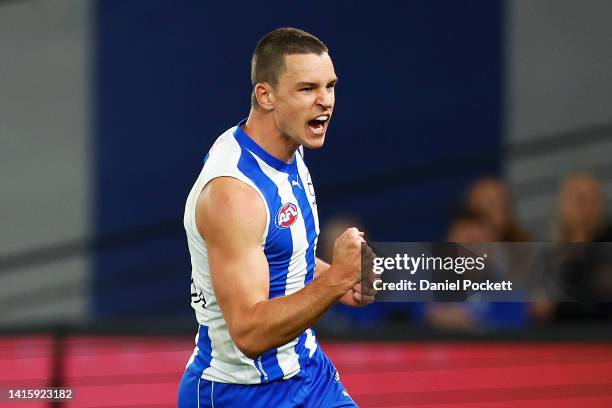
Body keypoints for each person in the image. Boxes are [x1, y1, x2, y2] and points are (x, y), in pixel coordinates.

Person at [178, 27, 375, 407]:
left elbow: (280, 253)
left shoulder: (289, 147)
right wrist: (335, 281)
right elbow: (250, 334)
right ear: (265, 95)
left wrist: (336, 278)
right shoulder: (233, 194)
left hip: (311, 374)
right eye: (307, 89)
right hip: (240, 395)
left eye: (330, 86)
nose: (325, 101)